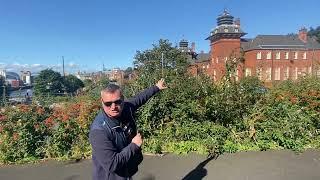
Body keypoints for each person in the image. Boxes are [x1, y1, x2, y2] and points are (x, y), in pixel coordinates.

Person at [89, 79, 167, 180]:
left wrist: (156, 88)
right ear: (102, 102)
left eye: (117, 102)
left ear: (122, 99)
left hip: (126, 170)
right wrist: (134, 145)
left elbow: (139, 98)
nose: (113, 107)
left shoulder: (126, 108)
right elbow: (112, 164)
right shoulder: (99, 131)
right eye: (108, 104)